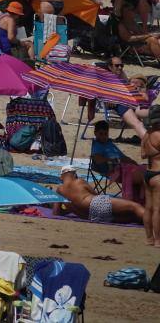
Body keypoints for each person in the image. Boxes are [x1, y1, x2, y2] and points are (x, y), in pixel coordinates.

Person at [54, 165, 144, 224]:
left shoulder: (59, 190)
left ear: (61, 177)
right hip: (96, 204)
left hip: (90, 216)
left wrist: (70, 209)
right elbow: (97, 196)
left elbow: (56, 213)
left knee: (132, 218)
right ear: (74, 175)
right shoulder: (79, 181)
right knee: (134, 206)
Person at [91, 120, 145, 201]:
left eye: (106, 134)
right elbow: (98, 160)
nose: (103, 137)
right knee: (141, 175)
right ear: (95, 133)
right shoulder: (97, 145)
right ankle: (133, 199)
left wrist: (131, 161)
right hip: (112, 170)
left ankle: (139, 198)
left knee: (145, 169)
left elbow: (122, 156)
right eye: (101, 134)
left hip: (122, 165)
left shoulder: (109, 143)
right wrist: (116, 160)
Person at [141, 105, 160, 246]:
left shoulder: (146, 135)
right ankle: (158, 240)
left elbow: (143, 155)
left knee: (148, 208)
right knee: (158, 209)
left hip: (147, 173)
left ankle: (149, 238)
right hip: (158, 175)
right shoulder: (158, 135)